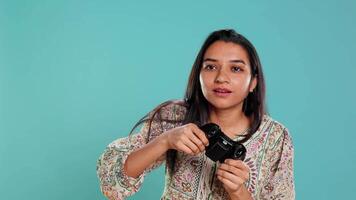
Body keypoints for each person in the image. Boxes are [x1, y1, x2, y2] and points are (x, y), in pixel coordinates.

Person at [96, 29, 295, 200]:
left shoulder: (276, 137)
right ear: (198, 74)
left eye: (236, 68)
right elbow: (112, 186)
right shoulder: (174, 116)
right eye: (211, 67)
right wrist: (165, 140)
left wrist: (238, 192)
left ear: (253, 82)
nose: (221, 78)